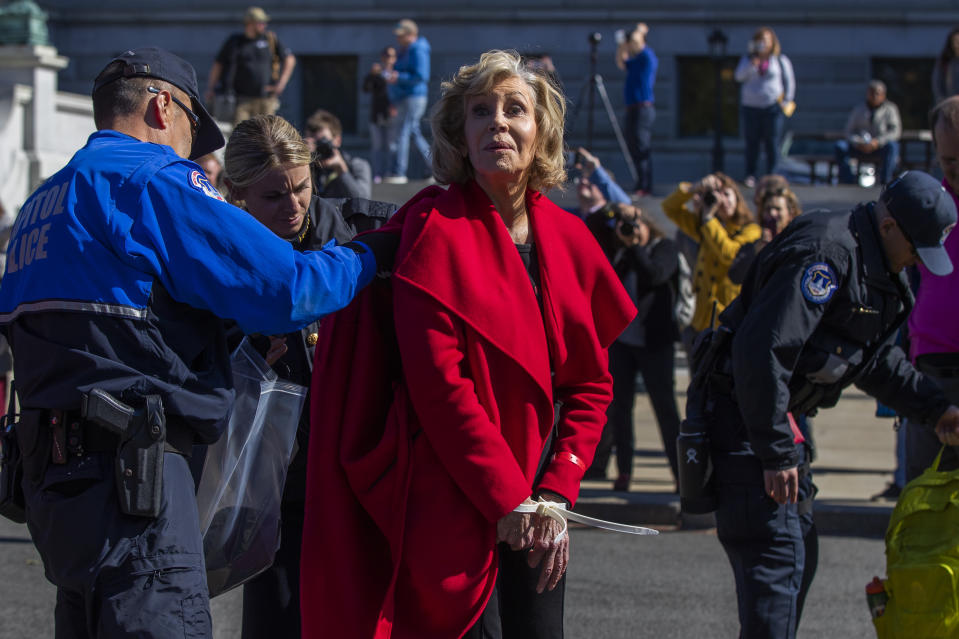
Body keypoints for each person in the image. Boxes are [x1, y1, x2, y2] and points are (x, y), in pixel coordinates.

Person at [0, 47, 394, 636]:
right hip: (137, 489)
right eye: (191, 127)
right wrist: (375, 251)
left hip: (54, 491)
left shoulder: (40, 205)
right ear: (163, 106)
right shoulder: (152, 181)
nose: (191, 148)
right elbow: (287, 287)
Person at [299, 49, 636, 639]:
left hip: (540, 506)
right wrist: (508, 500)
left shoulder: (572, 238)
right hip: (454, 500)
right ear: (461, 133)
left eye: (515, 109)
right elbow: (442, 390)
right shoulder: (433, 231)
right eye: (481, 111)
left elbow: (590, 385)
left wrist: (558, 488)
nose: (498, 123)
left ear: (542, 132)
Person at [687, 170, 959, 639]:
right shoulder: (827, 255)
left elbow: (869, 359)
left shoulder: (871, 260)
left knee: (797, 557)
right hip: (744, 421)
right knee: (777, 562)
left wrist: (936, 410)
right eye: (915, 248)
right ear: (890, 226)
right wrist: (775, 452)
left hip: (772, 419)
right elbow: (762, 350)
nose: (915, 261)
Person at [221, 114, 395, 638]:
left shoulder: (369, 230)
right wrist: (242, 361)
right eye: (273, 197)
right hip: (276, 485)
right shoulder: (217, 257)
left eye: (301, 187)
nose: (293, 206)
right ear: (237, 194)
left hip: (359, 472)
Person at [585, 202, 682, 491]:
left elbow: (654, 275)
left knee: (665, 409)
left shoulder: (665, 248)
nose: (632, 231)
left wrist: (635, 246)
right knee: (620, 409)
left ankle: (681, 474)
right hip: (623, 344)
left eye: (637, 224)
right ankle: (624, 472)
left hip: (655, 343)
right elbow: (593, 226)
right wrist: (615, 214)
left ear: (648, 224)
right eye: (628, 226)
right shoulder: (621, 252)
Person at [906, 96, 959, 481]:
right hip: (933, 364)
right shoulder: (926, 205)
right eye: (948, 160)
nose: (954, 170)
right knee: (927, 490)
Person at [662, 172, 761, 340]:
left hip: (729, 317)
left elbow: (730, 254)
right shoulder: (706, 226)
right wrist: (693, 188)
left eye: (727, 195)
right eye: (718, 196)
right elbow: (670, 208)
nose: (723, 201)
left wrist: (708, 219)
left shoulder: (750, 229)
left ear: (737, 198)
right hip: (701, 318)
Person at [204, 6, 296, 124]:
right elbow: (218, 65)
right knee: (242, 135)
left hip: (265, 99)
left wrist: (281, 83)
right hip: (241, 100)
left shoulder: (270, 39)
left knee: (266, 134)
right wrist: (211, 88)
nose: (264, 26)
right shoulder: (235, 42)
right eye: (261, 23)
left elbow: (290, 59)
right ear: (250, 24)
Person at [734, 26, 795, 188]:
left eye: (766, 41)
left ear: (772, 43)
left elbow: (789, 82)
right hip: (751, 107)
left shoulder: (780, 60)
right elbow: (738, 76)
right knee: (751, 143)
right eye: (760, 41)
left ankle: (772, 176)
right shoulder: (748, 59)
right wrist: (752, 64)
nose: (763, 45)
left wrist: (786, 101)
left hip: (772, 107)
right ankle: (750, 174)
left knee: (772, 142)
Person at [384, 18, 432, 184]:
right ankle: (433, 166)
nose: (398, 39)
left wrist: (398, 77)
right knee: (412, 131)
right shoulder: (407, 49)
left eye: (401, 35)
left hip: (414, 96)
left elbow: (421, 76)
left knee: (405, 130)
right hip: (408, 96)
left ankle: (399, 172)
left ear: (411, 34)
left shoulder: (418, 49)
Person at [728, 180, 802, 284]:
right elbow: (735, 277)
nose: (772, 213)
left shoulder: (798, 242)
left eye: (778, 209)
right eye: (768, 209)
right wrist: (755, 253)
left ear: (790, 213)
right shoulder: (754, 243)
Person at [616, 22, 658, 197]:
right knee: (633, 145)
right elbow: (621, 62)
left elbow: (637, 41)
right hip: (632, 108)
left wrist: (639, 31)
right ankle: (640, 183)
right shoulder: (635, 60)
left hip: (643, 108)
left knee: (642, 147)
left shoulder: (647, 56)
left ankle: (646, 186)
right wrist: (622, 44)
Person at [834, 80, 902, 187]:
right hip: (860, 146)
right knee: (840, 146)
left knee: (892, 147)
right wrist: (857, 142)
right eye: (872, 93)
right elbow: (848, 131)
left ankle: (885, 181)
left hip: (880, 146)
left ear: (883, 95)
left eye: (877, 93)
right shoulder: (859, 109)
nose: (874, 96)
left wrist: (878, 142)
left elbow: (895, 131)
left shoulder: (890, 109)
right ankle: (847, 181)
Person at [303, 109, 373, 200]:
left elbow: (363, 202)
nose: (318, 148)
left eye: (323, 142)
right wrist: (303, 161)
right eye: (314, 143)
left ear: (338, 140)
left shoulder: (357, 166)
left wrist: (342, 170)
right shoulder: (306, 167)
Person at [362, 45, 397, 184]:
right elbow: (366, 88)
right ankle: (378, 173)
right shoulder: (376, 73)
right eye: (386, 55)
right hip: (377, 115)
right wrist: (371, 75)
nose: (389, 59)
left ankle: (390, 172)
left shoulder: (398, 73)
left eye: (392, 56)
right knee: (377, 145)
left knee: (391, 146)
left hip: (392, 114)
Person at [565, 146, 631, 219]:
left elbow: (626, 205)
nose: (583, 181)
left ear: (604, 190)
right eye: (582, 178)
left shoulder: (610, 218)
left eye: (590, 180)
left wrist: (597, 169)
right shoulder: (568, 215)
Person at [933, 26, 959, 104]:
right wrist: (943, 101)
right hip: (949, 104)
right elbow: (937, 84)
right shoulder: (944, 62)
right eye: (955, 41)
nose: (957, 44)